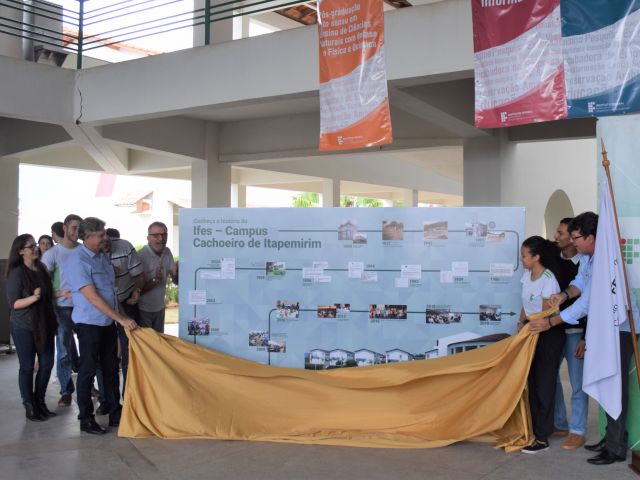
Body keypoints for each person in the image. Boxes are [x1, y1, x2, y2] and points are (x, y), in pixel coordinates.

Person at [535, 211, 639, 465]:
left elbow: (587, 303)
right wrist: (563, 295)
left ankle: (616, 448)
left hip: (620, 328)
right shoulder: (587, 257)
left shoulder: (606, 259)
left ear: (591, 237)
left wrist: (551, 321)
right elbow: (580, 283)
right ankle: (611, 437)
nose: (573, 242)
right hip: (603, 327)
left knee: (614, 386)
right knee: (605, 382)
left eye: (576, 237)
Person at [65, 217, 137, 434]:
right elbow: (93, 297)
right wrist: (121, 319)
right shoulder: (77, 261)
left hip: (106, 323)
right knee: (87, 371)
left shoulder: (101, 257)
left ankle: (116, 412)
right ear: (87, 237)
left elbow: (111, 294)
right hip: (89, 324)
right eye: (101, 235)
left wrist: (120, 316)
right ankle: (86, 419)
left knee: (111, 369)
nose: (105, 238)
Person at [518, 236, 564, 454]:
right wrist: (521, 323)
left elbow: (546, 313)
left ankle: (542, 437)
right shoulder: (526, 276)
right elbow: (525, 305)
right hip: (529, 332)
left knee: (544, 386)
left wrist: (529, 326)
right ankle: (533, 430)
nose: (521, 258)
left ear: (536, 257)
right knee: (531, 382)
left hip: (547, 335)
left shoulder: (548, 279)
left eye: (525, 255)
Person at [6, 234, 58, 421]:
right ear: (21, 251)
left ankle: (40, 401)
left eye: (35, 245)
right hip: (23, 325)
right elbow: (14, 303)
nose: (36, 248)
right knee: (27, 366)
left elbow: (49, 294)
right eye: (31, 246)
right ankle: (29, 405)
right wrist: (33, 298)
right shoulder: (17, 273)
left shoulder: (42, 269)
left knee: (47, 363)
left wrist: (63, 294)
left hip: (44, 324)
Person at [95, 230, 144, 414]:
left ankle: (129, 398)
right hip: (103, 309)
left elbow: (139, 276)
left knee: (129, 353)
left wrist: (137, 290)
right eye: (100, 240)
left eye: (105, 238)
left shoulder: (124, 246)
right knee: (105, 357)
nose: (103, 242)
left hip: (126, 303)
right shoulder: (90, 255)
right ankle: (107, 400)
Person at [551, 218, 588, 450]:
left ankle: (578, 430)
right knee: (551, 378)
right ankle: (559, 423)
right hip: (553, 331)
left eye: (562, 233)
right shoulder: (553, 262)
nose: (557, 236)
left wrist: (586, 337)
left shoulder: (584, 263)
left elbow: (588, 302)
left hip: (576, 331)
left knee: (577, 383)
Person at [42, 214, 82, 407]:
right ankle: (66, 391)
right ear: (65, 228)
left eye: (79, 229)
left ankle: (86, 386)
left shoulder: (84, 251)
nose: (76, 232)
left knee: (89, 350)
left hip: (84, 307)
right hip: (62, 309)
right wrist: (58, 293)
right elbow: (43, 283)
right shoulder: (52, 254)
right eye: (73, 228)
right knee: (64, 351)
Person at [138, 221, 178, 333]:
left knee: (160, 342)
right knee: (148, 344)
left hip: (160, 308)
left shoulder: (167, 251)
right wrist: (155, 280)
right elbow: (136, 291)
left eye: (164, 235)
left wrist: (178, 273)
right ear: (148, 238)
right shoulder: (140, 256)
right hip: (143, 309)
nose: (161, 239)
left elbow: (175, 280)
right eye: (156, 235)